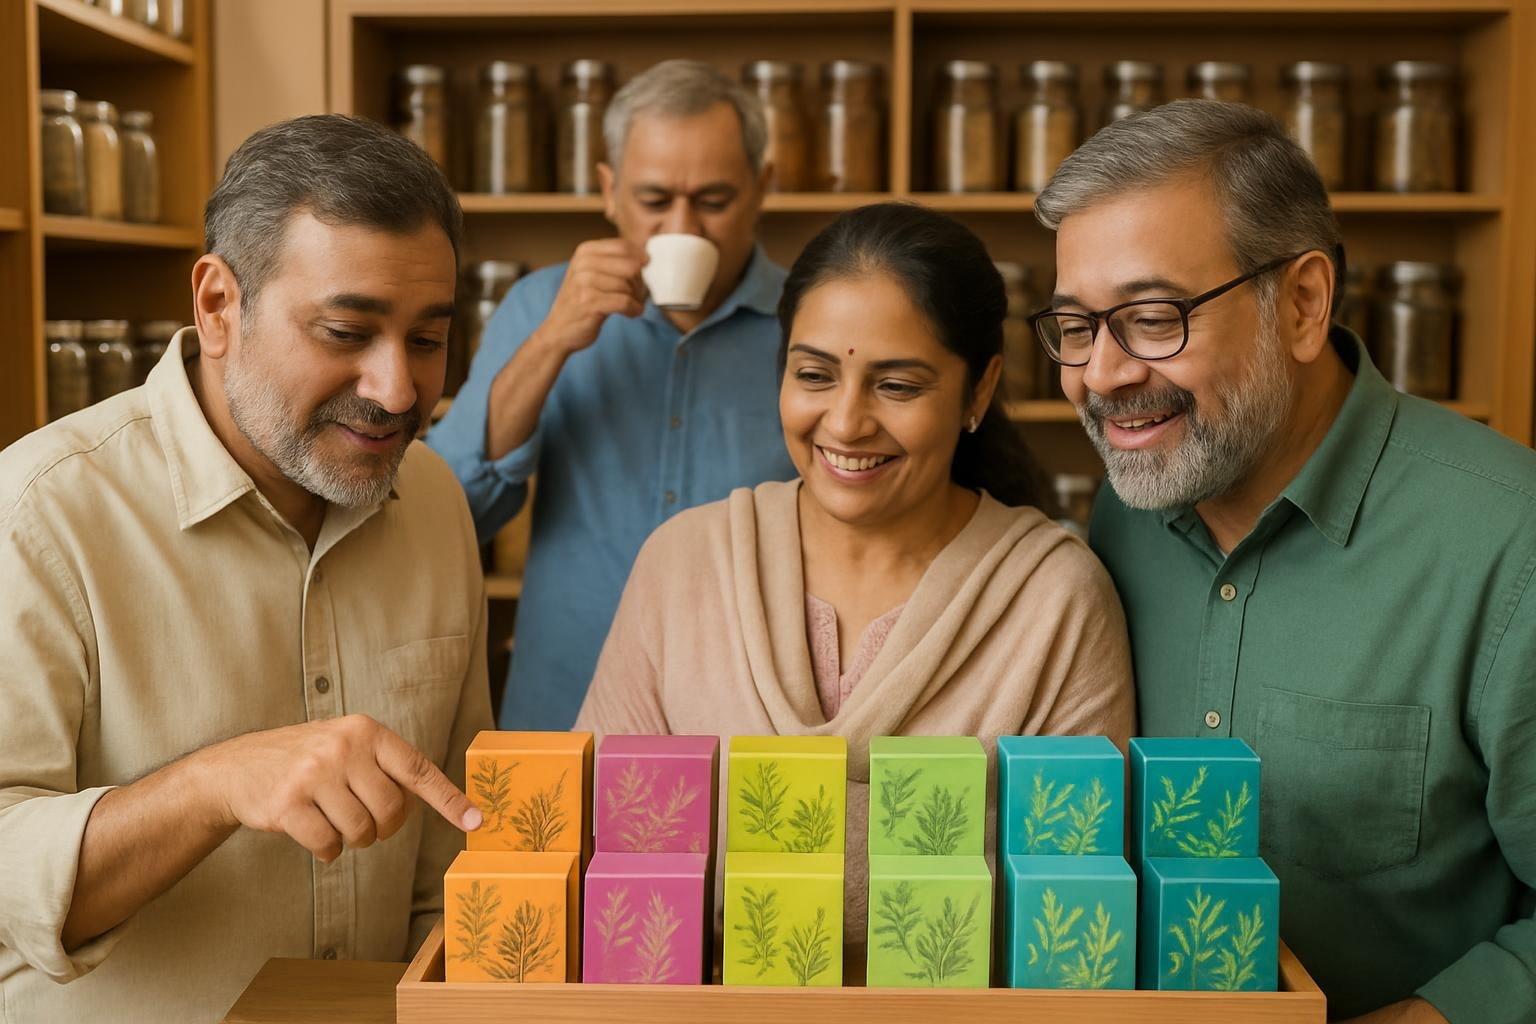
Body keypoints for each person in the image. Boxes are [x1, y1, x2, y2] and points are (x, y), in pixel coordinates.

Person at [1034, 99, 1536, 1023]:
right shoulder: (1125, 510)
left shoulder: (1513, 546)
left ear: (1302, 303)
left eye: (1152, 317)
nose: (1101, 375)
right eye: (1074, 326)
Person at [0, 115, 492, 1022]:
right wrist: (211, 785)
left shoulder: (433, 502)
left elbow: (447, 873)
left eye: (428, 339)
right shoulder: (39, 514)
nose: (397, 389)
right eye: (347, 331)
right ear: (219, 305)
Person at [576, 202, 1136, 953]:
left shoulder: (1056, 598)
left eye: (897, 386)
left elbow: (1071, 926)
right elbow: (604, 853)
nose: (844, 423)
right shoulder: (682, 565)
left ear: (977, 391)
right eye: (813, 375)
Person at [429, 60, 797, 731]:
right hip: (566, 705)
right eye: (655, 202)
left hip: (755, 719)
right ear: (608, 191)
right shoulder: (539, 304)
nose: (682, 228)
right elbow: (449, 512)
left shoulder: (811, 324)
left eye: (713, 201)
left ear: (762, 188)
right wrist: (551, 344)